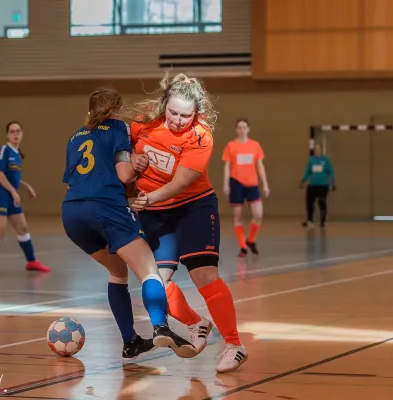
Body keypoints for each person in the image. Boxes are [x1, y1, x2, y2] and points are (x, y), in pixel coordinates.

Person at [61, 88, 195, 361]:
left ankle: (130, 341)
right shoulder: (118, 128)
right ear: (117, 109)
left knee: (117, 270)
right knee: (149, 270)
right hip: (105, 207)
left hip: (72, 213)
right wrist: (138, 164)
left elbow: (70, 180)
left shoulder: (74, 137)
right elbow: (124, 174)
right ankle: (161, 326)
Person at [128, 73, 247, 373]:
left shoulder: (200, 136)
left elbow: (181, 182)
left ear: (197, 113)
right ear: (164, 104)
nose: (179, 120)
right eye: (173, 113)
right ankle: (197, 324)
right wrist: (131, 158)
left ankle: (234, 345)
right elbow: (119, 150)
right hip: (155, 211)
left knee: (204, 274)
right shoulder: (143, 123)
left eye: (186, 115)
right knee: (158, 281)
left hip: (193, 206)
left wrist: (150, 198)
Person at [0, 121, 50, 276]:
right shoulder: (4, 151)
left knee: (22, 228)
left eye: (18, 131)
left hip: (10, 195)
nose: (15, 134)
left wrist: (26, 186)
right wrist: (13, 192)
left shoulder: (17, 154)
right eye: (12, 131)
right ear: (8, 135)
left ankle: (32, 261)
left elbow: (12, 177)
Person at [222, 119, 270, 257]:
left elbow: (260, 166)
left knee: (258, 214)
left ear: (248, 129)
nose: (242, 130)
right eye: (239, 127)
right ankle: (243, 246)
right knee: (238, 216)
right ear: (236, 130)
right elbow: (227, 166)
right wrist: (226, 185)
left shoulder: (255, 145)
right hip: (236, 183)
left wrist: (265, 184)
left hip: (252, 183)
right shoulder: (231, 146)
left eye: (244, 127)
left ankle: (250, 240)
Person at [300, 144, 335, 228]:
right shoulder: (311, 160)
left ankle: (323, 221)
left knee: (322, 202)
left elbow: (331, 171)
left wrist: (332, 182)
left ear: (321, 150)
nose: (317, 151)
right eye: (315, 149)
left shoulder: (326, 160)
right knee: (309, 202)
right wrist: (303, 180)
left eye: (318, 149)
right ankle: (310, 220)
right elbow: (307, 171)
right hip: (312, 185)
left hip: (323, 185)